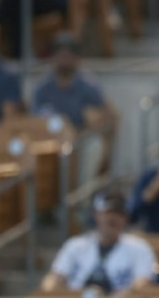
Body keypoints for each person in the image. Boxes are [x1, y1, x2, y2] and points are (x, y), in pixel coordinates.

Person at [33, 33, 115, 187]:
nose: (64, 60)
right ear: (52, 58)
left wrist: (77, 133)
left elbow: (103, 118)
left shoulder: (88, 86)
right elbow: (36, 122)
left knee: (94, 146)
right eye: (60, 55)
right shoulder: (42, 88)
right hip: (50, 144)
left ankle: (79, 205)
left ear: (77, 59)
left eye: (69, 55)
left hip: (80, 139)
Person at [42, 191, 156, 296]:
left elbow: (143, 283)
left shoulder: (139, 248)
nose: (113, 218)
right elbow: (54, 278)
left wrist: (119, 297)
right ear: (96, 214)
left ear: (125, 218)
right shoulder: (75, 246)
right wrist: (49, 291)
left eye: (119, 213)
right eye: (108, 212)